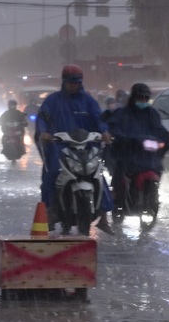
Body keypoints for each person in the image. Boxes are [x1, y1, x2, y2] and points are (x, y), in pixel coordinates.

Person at [35, 64, 113, 233]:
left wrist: (104, 132)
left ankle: (104, 215)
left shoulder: (89, 101)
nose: (73, 86)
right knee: (52, 173)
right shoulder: (53, 100)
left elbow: (99, 119)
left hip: (86, 147)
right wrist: (43, 132)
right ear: (64, 82)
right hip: (60, 147)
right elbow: (42, 118)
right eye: (70, 82)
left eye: (76, 82)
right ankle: (51, 210)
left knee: (98, 175)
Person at [108, 83, 169, 215]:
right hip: (128, 154)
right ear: (133, 97)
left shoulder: (152, 114)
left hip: (149, 157)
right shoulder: (123, 113)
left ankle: (152, 197)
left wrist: (166, 141)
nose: (143, 101)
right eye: (140, 98)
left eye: (145, 98)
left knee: (158, 168)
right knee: (120, 174)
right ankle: (118, 200)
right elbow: (115, 128)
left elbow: (160, 130)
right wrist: (125, 140)